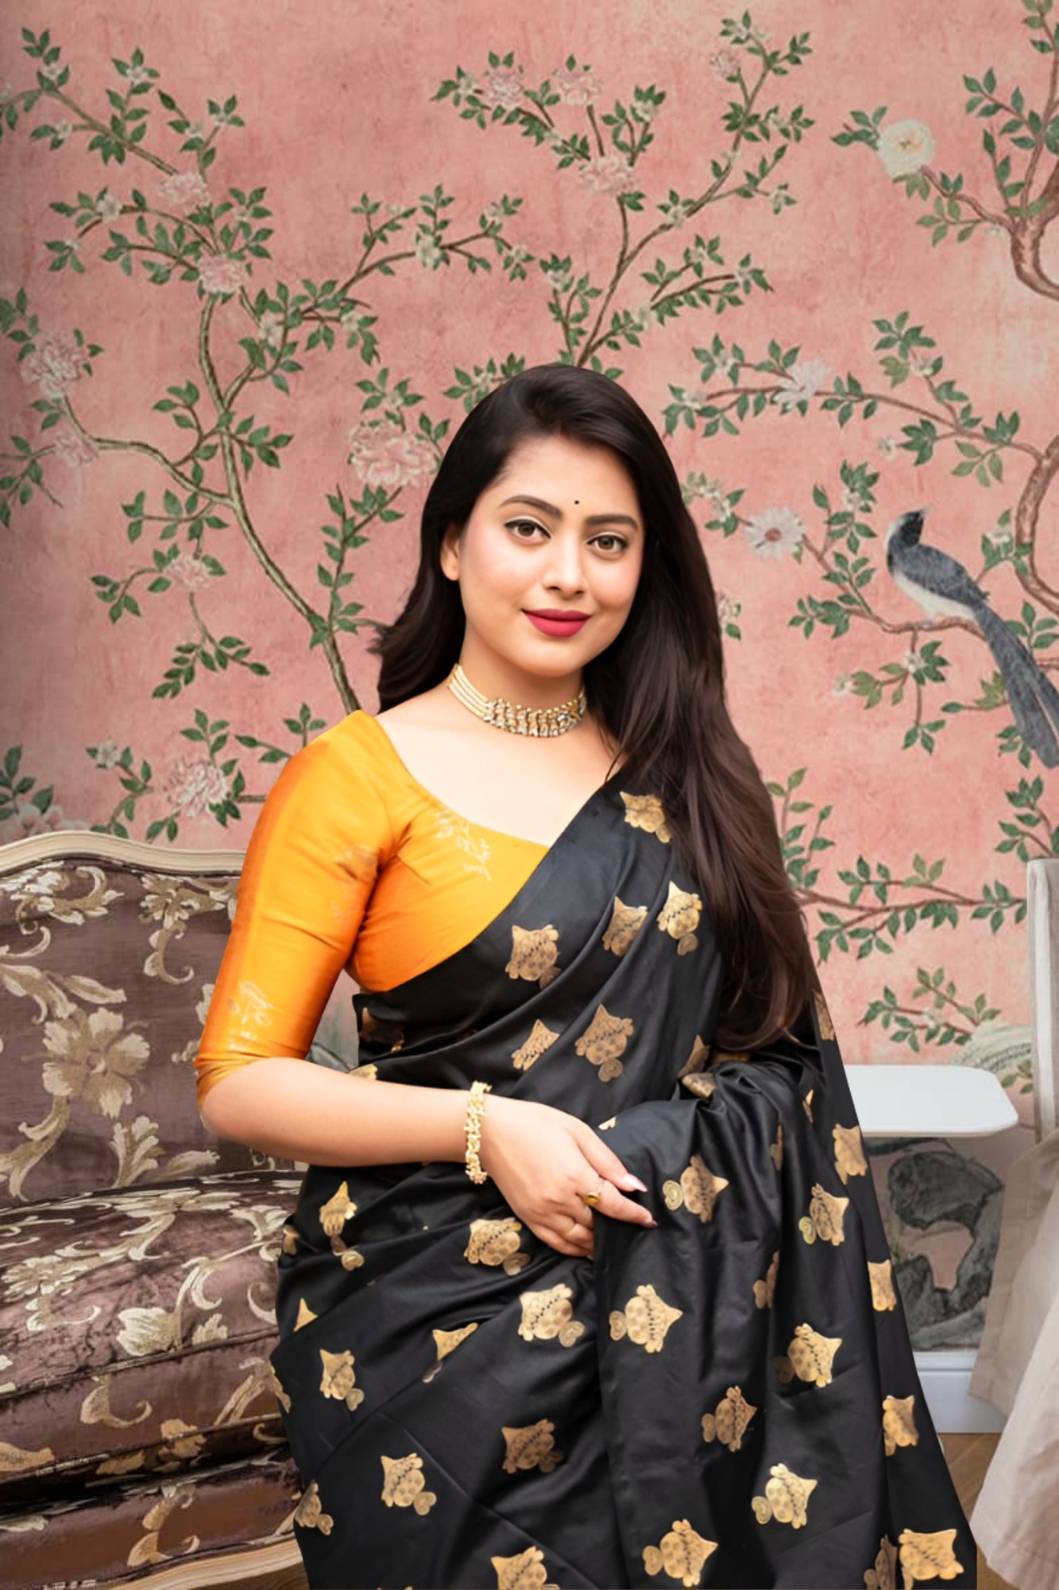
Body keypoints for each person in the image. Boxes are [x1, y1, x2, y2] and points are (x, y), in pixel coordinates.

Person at [195, 363, 978, 1589]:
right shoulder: (354, 776)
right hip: (431, 1319)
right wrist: (487, 1128)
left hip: (690, 1301)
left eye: (609, 541)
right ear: (451, 543)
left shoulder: (693, 776)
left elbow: (774, 1059)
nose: (570, 573)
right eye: (529, 528)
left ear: (645, 566)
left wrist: (674, 1155)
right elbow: (239, 1082)